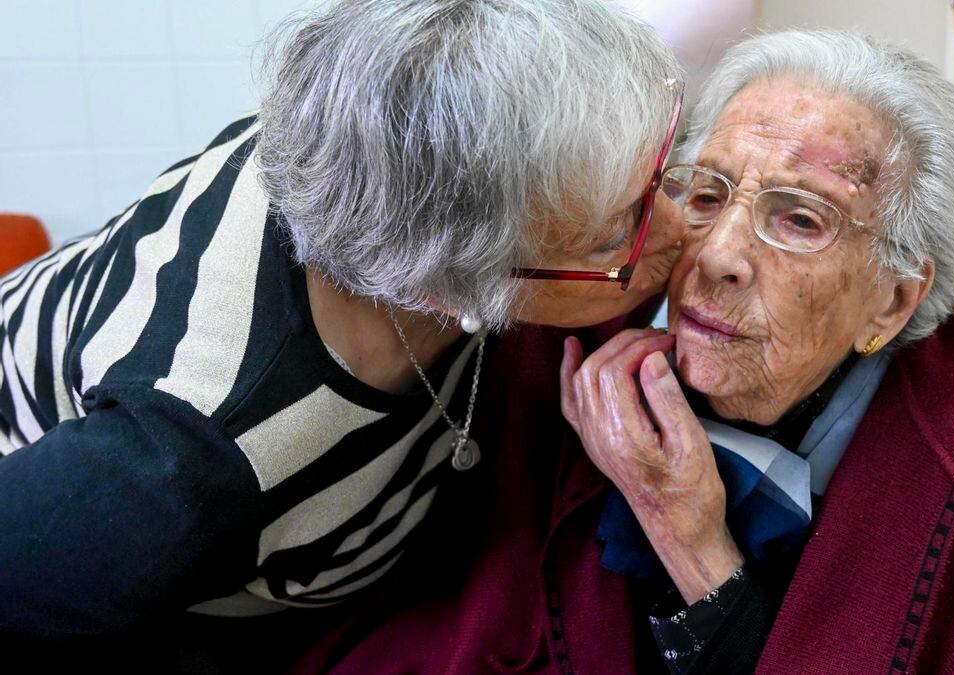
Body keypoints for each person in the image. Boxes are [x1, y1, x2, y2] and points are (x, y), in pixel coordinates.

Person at [301, 30, 954, 674]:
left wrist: (687, 534)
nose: (715, 253)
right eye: (708, 193)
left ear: (892, 299)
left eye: (800, 219)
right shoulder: (582, 320)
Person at [0, 0, 683, 658]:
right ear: (443, 289)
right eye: (614, 235)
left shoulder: (372, 140)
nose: (681, 226)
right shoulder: (187, 466)